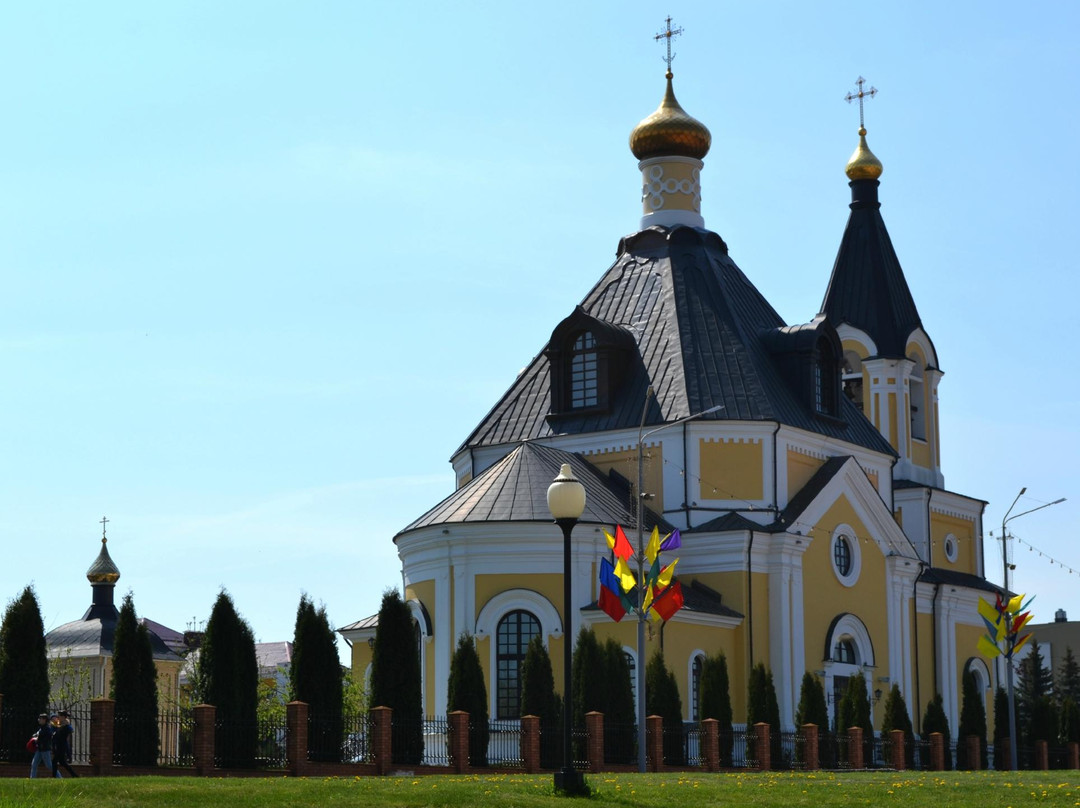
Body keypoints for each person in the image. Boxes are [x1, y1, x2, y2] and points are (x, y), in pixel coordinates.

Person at [52, 710, 78, 778]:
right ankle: (74, 775)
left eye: (59, 716)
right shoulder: (60, 725)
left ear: (63, 717)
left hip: (62, 746)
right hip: (58, 745)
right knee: (62, 762)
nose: (58, 717)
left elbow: (67, 737)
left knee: (54, 762)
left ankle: (54, 777)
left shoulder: (66, 727)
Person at [28, 713, 54, 778]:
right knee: (34, 764)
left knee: (49, 765)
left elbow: (47, 738)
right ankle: (32, 779)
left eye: (40, 719)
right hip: (39, 749)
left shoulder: (47, 729)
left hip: (45, 749)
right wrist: (35, 736)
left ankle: (59, 777)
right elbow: (38, 734)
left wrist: (38, 739)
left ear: (44, 720)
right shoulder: (41, 728)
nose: (38, 720)